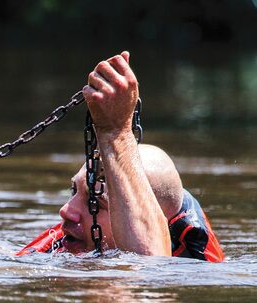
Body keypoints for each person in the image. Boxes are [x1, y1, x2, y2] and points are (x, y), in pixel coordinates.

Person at [18, 52, 223, 261]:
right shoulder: (62, 243)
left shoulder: (193, 263)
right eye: (74, 192)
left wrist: (115, 132)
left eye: (95, 203)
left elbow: (148, 272)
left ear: (160, 224)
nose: (66, 211)